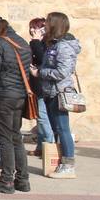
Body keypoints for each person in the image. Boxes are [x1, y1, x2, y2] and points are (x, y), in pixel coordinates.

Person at [0, 13, 33, 194]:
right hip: (20, 95)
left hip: (3, 95)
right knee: (16, 136)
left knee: (5, 139)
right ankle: (23, 180)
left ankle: (6, 181)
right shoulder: (21, 41)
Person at [36, 11, 81, 179]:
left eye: (47, 22)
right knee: (57, 129)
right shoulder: (53, 44)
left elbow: (63, 71)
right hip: (51, 92)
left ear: (55, 24)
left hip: (59, 92)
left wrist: (40, 72)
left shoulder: (63, 46)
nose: (44, 25)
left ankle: (68, 165)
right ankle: (60, 162)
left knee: (63, 129)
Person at [27, 18, 54, 157]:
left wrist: (36, 41)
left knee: (42, 117)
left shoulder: (46, 44)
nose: (32, 31)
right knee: (40, 117)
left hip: (43, 86)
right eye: (31, 28)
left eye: (35, 28)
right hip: (36, 85)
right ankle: (40, 147)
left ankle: (51, 147)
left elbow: (43, 58)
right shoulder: (36, 43)